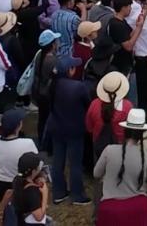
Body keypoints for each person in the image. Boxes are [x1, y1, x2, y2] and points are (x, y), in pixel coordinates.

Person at [94, 109, 147, 226]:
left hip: (110, 210)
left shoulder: (109, 150)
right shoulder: (146, 155)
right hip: (138, 210)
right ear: (142, 133)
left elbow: (96, 173)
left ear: (125, 130)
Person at [46, 55, 92, 205]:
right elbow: (88, 105)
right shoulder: (78, 87)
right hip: (74, 130)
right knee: (75, 163)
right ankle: (77, 194)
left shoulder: (52, 85)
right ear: (69, 70)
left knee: (58, 161)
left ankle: (59, 193)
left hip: (57, 128)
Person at [85, 72, 133, 165]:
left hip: (99, 144)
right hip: (119, 145)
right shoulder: (127, 107)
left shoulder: (94, 104)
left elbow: (89, 126)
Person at [0, 108, 38, 202]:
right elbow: (36, 164)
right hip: (22, 183)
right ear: (19, 126)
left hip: (2, 184)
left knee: (7, 212)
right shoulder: (27, 143)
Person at [7, 152, 52, 225]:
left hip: (20, 219)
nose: (39, 168)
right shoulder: (31, 191)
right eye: (38, 167)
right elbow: (39, 217)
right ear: (33, 171)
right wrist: (45, 193)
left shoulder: (18, 179)